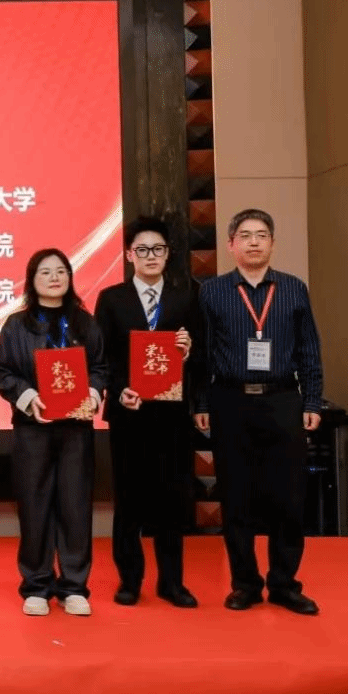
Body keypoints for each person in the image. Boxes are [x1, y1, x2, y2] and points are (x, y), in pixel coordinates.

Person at [194, 208, 323, 615]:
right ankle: (245, 584)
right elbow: (202, 354)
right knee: (236, 497)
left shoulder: (293, 289)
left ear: (272, 243)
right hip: (229, 401)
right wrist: (201, 402)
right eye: (245, 235)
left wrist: (312, 400)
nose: (253, 242)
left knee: (288, 497)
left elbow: (309, 349)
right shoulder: (211, 292)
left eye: (261, 235)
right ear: (231, 244)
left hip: (283, 400)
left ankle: (285, 584)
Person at [0, 248, 106, 617]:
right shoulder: (17, 325)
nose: (54, 277)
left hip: (75, 430)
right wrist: (28, 397)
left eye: (61, 271)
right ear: (32, 279)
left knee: (75, 506)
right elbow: (3, 371)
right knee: (34, 505)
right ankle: (37, 585)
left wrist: (92, 393)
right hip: (33, 429)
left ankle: (73, 586)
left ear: (70, 278)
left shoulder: (85, 323)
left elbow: (100, 367)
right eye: (45, 272)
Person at [94, 217, 199, 608]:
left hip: (171, 415)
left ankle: (172, 582)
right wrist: (120, 389)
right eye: (142, 249)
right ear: (128, 255)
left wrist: (188, 351)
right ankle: (130, 580)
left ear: (167, 254)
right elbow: (102, 356)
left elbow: (202, 354)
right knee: (129, 499)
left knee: (173, 498)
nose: (150, 256)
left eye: (157, 249)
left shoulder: (186, 297)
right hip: (129, 413)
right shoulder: (112, 299)